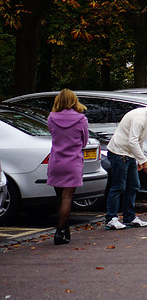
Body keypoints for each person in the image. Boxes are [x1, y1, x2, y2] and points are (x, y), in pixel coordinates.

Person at [104, 96, 147, 230]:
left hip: (129, 154)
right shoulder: (140, 118)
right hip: (119, 152)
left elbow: (139, 141)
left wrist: (139, 159)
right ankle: (111, 218)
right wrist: (144, 161)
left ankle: (129, 217)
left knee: (133, 185)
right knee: (118, 186)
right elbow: (133, 140)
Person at [46, 89, 90, 245]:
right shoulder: (81, 119)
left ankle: (64, 229)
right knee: (67, 198)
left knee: (59, 197)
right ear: (74, 100)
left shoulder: (51, 117)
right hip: (73, 162)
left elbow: (52, 134)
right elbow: (84, 141)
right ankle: (60, 231)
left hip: (56, 161)